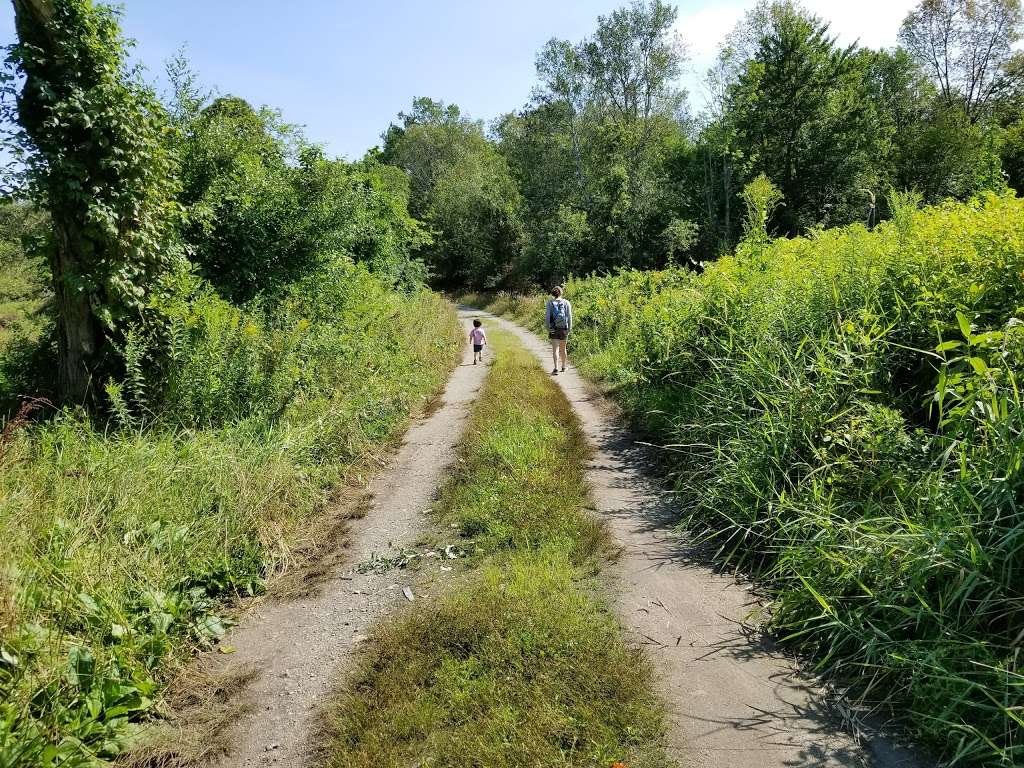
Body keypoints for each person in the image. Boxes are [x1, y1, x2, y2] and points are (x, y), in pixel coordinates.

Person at [545, 286, 572, 375]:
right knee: (563, 348)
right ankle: (564, 367)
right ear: (561, 293)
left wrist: (548, 328)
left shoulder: (550, 303)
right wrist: (569, 329)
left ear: (553, 293)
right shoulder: (566, 302)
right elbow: (569, 317)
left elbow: (547, 318)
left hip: (553, 328)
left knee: (555, 349)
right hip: (563, 328)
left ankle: (556, 368)